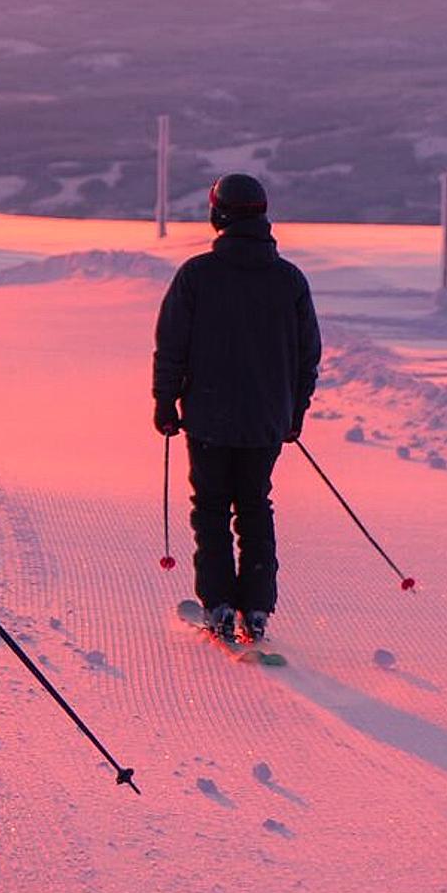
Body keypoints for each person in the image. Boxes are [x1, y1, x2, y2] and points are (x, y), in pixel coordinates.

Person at [153, 172, 321, 643]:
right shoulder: (289, 280)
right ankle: (258, 609)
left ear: (217, 214)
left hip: (207, 417)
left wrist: (166, 402)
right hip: (267, 422)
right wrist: (294, 413)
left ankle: (221, 605)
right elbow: (308, 356)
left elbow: (171, 347)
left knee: (210, 509)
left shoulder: (197, 276)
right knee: (254, 507)